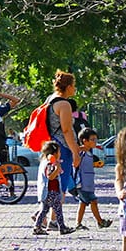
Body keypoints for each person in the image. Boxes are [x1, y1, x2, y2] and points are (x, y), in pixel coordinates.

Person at [37, 72, 85, 200]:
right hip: (62, 147)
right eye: (74, 85)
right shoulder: (64, 105)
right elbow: (66, 130)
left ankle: (42, 213)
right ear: (68, 87)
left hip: (51, 144)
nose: (74, 89)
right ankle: (53, 219)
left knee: (51, 183)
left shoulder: (50, 99)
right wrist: (75, 152)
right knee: (61, 186)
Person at [32, 140, 72, 235]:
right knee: (54, 210)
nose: (60, 154)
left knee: (48, 210)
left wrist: (58, 166)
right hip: (51, 191)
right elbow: (50, 176)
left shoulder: (46, 162)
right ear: (54, 153)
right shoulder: (49, 164)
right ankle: (61, 228)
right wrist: (57, 168)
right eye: (59, 152)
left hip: (49, 191)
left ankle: (38, 227)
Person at [74, 129, 112, 229]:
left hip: (88, 182)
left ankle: (78, 223)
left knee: (83, 203)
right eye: (93, 139)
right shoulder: (81, 152)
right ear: (84, 141)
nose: (95, 142)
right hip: (82, 182)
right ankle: (100, 221)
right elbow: (75, 164)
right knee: (93, 201)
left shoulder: (89, 152)